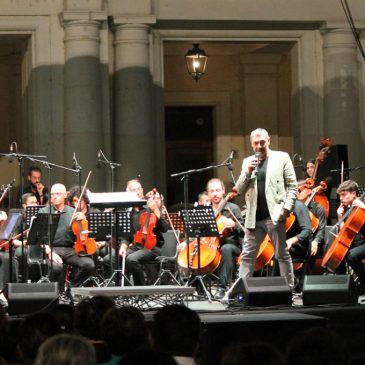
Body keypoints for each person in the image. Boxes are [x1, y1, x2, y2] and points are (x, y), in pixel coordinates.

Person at [233, 128, 297, 288]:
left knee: (281, 254)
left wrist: (286, 209)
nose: (260, 145)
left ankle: (288, 290)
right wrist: (247, 172)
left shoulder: (281, 157)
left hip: (274, 215)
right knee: (247, 256)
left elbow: (292, 185)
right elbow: (239, 189)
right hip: (254, 217)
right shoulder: (247, 161)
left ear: (268, 141)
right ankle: (240, 290)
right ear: (251, 144)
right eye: (256, 143)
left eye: (262, 142)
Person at [104, 179, 170, 286]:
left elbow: (165, 228)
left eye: (139, 189)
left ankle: (140, 291)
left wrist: (156, 211)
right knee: (109, 259)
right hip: (136, 247)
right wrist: (123, 246)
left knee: (131, 260)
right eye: (135, 190)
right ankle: (124, 287)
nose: (138, 192)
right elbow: (127, 235)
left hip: (151, 248)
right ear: (129, 193)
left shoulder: (150, 207)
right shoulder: (129, 212)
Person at [38, 183, 95, 288]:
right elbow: (39, 237)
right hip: (51, 249)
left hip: (70, 250)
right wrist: (50, 252)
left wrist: (83, 220)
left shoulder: (73, 212)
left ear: (65, 195)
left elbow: (81, 234)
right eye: (52, 194)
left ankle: (71, 287)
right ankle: (55, 293)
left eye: (58, 194)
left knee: (89, 264)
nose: (54, 196)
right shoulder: (44, 211)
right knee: (57, 268)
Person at [205, 178, 244, 299]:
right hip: (212, 245)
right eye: (212, 191)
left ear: (223, 191)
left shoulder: (233, 208)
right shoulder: (206, 210)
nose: (215, 193)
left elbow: (244, 230)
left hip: (232, 245)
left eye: (217, 190)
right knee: (200, 251)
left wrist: (233, 225)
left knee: (226, 248)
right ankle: (200, 287)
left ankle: (222, 288)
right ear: (208, 193)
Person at [331, 180, 365, 293]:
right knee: (339, 253)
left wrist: (364, 207)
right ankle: (342, 287)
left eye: (344, 194)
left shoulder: (362, 203)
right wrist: (340, 216)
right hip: (360, 242)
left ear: (354, 194)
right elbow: (345, 231)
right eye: (340, 195)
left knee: (352, 255)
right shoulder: (350, 208)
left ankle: (363, 282)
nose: (341, 198)